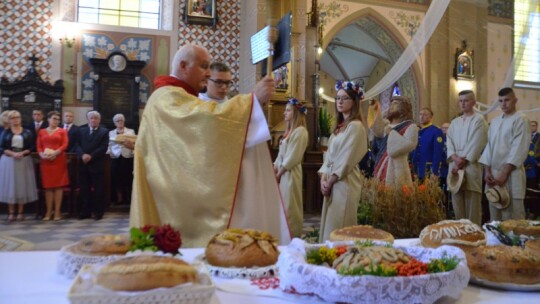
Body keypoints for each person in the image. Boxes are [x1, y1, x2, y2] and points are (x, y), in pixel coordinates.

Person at [130, 44, 291, 247]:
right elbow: (206, 124)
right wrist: (252, 101)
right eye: (204, 66)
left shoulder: (175, 96)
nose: (207, 73)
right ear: (183, 65)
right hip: (171, 205)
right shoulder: (167, 97)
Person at [318, 81, 368, 242]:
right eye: (337, 98)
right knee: (330, 228)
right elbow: (329, 157)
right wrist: (323, 179)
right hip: (332, 182)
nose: (339, 101)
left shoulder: (356, 127)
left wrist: (331, 180)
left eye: (344, 98)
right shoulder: (339, 129)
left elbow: (346, 159)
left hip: (344, 183)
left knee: (340, 228)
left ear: (354, 102)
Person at [479, 87, 530, 221]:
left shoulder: (521, 119)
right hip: (494, 174)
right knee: (495, 216)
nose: (503, 104)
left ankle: (516, 242)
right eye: (500, 101)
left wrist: (505, 172)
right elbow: (489, 147)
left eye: (507, 100)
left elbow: (519, 148)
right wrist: (487, 171)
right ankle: (496, 242)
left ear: (515, 100)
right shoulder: (495, 122)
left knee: (513, 215)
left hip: (512, 173)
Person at [446, 90, 488, 225]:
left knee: (472, 207)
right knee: (457, 204)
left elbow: (477, 142)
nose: (463, 103)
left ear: (473, 102)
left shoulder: (479, 120)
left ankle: (474, 235)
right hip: (454, 166)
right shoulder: (454, 122)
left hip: (470, 165)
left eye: (466, 100)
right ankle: (460, 235)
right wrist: (454, 157)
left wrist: (462, 161)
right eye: (460, 101)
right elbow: (449, 141)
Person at [273, 98, 308, 237]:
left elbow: (292, 157)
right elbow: (281, 155)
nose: (284, 113)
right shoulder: (288, 131)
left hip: (290, 174)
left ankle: (292, 237)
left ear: (295, 113)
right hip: (282, 174)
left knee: (290, 208)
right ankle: (282, 237)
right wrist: (275, 166)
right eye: (285, 110)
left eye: (288, 110)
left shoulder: (300, 132)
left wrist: (279, 173)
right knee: (282, 208)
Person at [371, 96, 418, 189]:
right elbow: (377, 132)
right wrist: (374, 110)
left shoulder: (410, 126)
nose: (392, 106)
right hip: (380, 162)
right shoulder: (387, 124)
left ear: (404, 108)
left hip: (397, 167)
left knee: (394, 195)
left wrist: (391, 133)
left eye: (396, 104)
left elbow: (409, 144)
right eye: (391, 104)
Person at [0, 110, 38, 222]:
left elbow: (32, 146)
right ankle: (11, 212)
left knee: (22, 185)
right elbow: (1, 147)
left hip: (23, 160)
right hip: (9, 160)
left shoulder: (27, 132)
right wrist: (12, 153)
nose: (16, 120)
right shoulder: (5, 132)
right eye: (13, 118)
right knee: (10, 185)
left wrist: (23, 153)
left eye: (17, 117)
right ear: (9, 120)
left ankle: (21, 212)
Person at [75, 111, 109, 220]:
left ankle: (98, 212)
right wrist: (82, 154)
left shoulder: (104, 132)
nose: (93, 120)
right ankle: (85, 211)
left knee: (98, 190)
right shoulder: (81, 131)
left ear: (99, 120)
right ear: (88, 120)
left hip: (96, 164)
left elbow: (103, 147)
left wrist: (91, 156)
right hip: (83, 164)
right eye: (91, 118)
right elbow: (77, 145)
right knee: (84, 189)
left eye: (96, 118)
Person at [37, 111, 69, 221]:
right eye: (54, 118)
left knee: (58, 187)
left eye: (58, 119)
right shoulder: (41, 131)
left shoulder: (62, 131)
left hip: (58, 160)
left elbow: (65, 144)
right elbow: (39, 146)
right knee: (48, 187)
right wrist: (42, 155)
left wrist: (55, 153)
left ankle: (57, 212)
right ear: (49, 119)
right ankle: (48, 211)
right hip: (46, 162)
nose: (56, 121)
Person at [107, 113, 135, 205]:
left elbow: (134, 143)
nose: (119, 122)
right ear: (114, 123)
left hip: (127, 157)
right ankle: (120, 199)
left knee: (128, 178)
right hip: (116, 157)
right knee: (116, 179)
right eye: (117, 121)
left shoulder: (130, 131)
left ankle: (129, 199)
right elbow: (109, 146)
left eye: (121, 120)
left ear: (124, 121)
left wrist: (132, 151)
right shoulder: (111, 133)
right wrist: (108, 153)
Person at [411, 107, 444, 181]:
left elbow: (437, 153)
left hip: (428, 169)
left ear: (431, 117)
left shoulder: (436, 131)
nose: (422, 117)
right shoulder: (417, 131)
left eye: (425, 115)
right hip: (416, 169)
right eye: (420, 114)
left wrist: (435, 171)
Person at [524, 120, 540, 218]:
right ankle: (527, 210)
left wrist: (536, 163)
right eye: (530, 126)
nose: (532, 127)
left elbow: (531, 155)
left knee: (533, 192)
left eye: (533, 126)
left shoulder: (537, 139)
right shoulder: (526, 138)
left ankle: (534, 211)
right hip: (525, 170)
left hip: (533, 169)